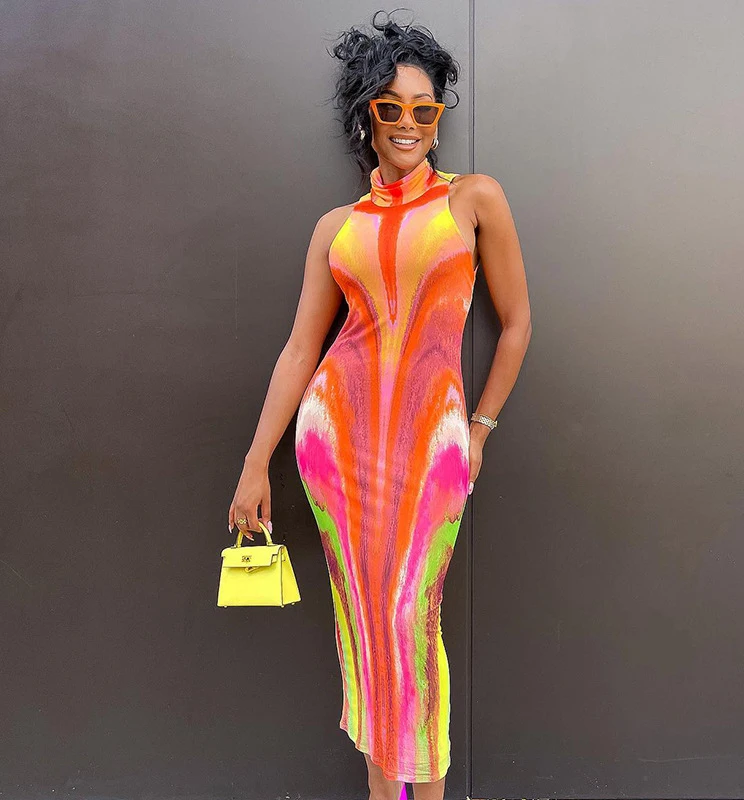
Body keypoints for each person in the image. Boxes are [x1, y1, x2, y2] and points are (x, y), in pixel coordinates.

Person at [228, 11, 531, 800]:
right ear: (366, 113)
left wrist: (480, 429)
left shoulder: (473, 199)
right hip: (337, 448)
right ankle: (381, 790)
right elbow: (300, 350)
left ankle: (419, 790)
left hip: (433, 448)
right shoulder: (338, 227)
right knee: (362, 625)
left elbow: (518, 323)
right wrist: (256, 462)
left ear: (438, 117)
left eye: (424, 108)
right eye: (390, 106)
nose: (407, 122)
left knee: (409, 618)